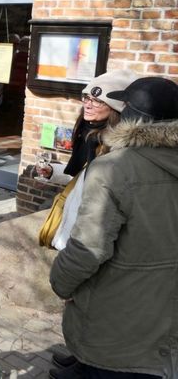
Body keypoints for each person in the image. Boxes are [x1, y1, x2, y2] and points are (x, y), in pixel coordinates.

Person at [50, 77, 178, 379]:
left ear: (132, 115)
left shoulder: (115, 168)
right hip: (162, 314)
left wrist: (61, 282)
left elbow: (88, 249)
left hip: (118, 316)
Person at [36, 70, 138, 251]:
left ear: (116, 108)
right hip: (70, 235)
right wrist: (53, 172)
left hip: (86, 242)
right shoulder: (90, 136)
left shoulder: (117, 151)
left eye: (98, 100)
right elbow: (82, 177)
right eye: (87, 98)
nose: (88, 105)